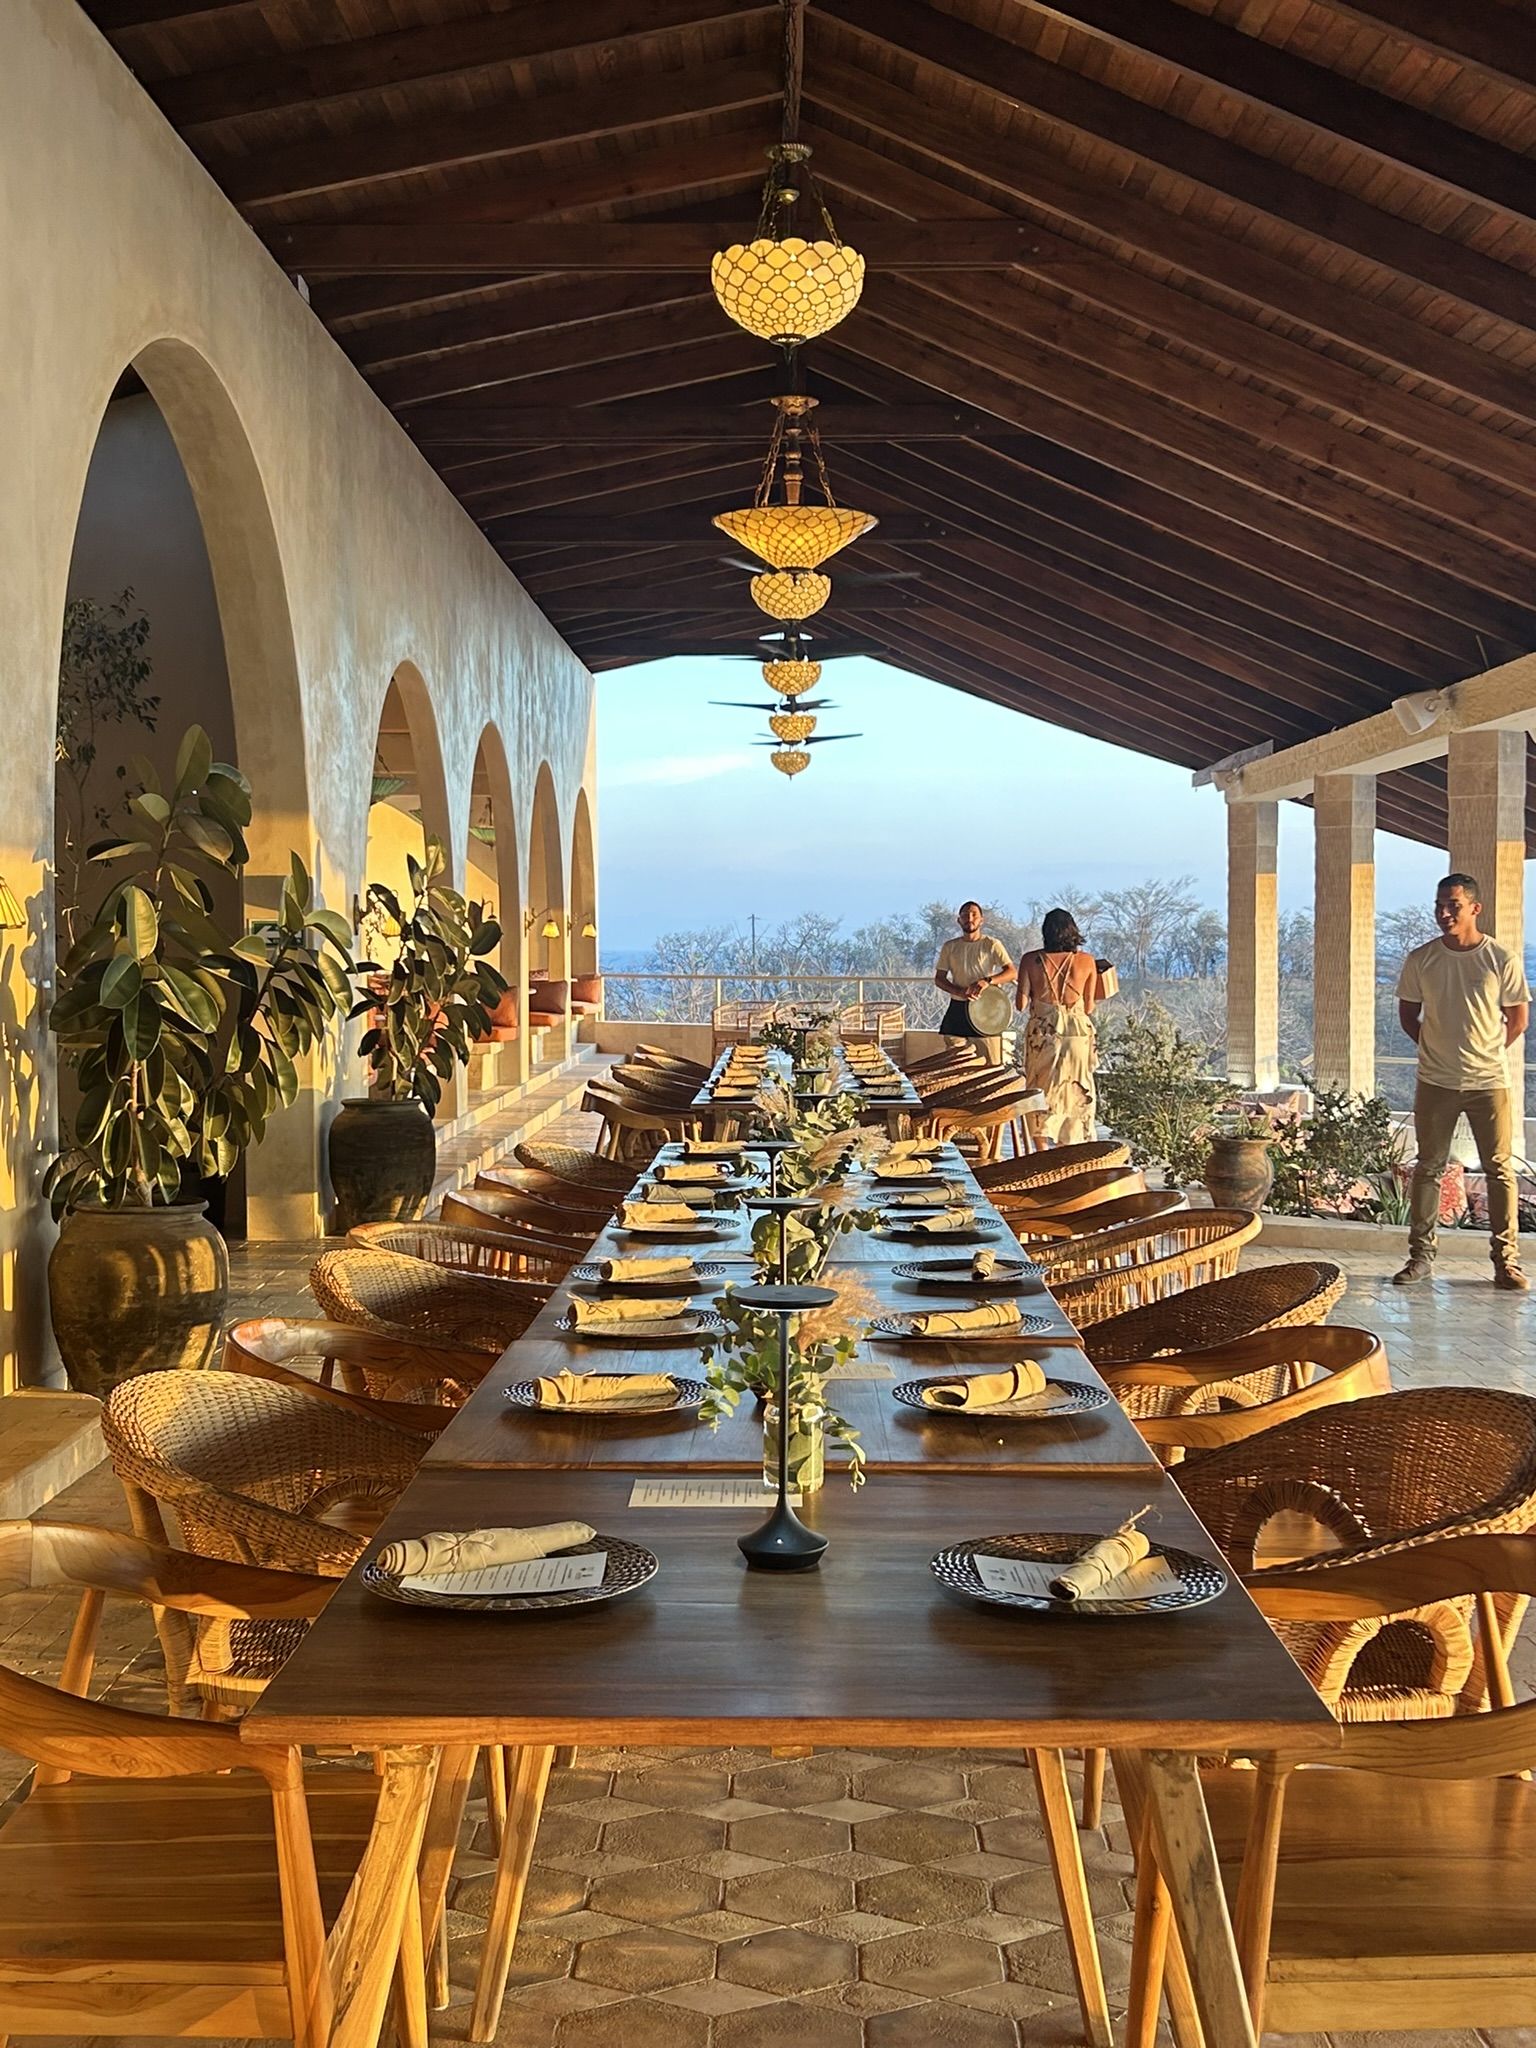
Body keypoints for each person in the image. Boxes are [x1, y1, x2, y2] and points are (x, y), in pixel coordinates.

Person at [1395, 871, 1529, 1289]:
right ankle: (1420, 1258)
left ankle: (1506, 1263)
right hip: (1435, 1081)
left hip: (1489, 1083)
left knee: (1499, 1170)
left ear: (1475, 908)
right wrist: (1435, 1049)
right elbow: (1408, 1015)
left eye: (1453, 905)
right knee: (1428, 1168)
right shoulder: (1421, 959)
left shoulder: (1501, 959)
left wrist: (1486, 1052)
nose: (1444, 913)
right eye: (1439, 905)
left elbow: (1518, 1019)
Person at [1016, 908, 1099, 1146]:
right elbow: (1089, 1006)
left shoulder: (1030, 960)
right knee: (1076, 1090)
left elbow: (1021, 1004)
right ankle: (1068, 1148)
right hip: (1077, 1034)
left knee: (1040, 1090)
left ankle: (1042, 1150)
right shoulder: (1087, 961)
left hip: (1043, 1034)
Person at [933, 901, 1015, 1063]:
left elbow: (1012, 973)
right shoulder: (950, 947)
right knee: (954, 1063)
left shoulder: (992, 944)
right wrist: (959, 992)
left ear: (981, 920)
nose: (969, 918)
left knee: (990, 1062)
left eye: (974, 915)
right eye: (965, 915)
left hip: (986, 1009)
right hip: (957, 1008)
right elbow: (939, 979)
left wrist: (988, 981)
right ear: (959, 920)